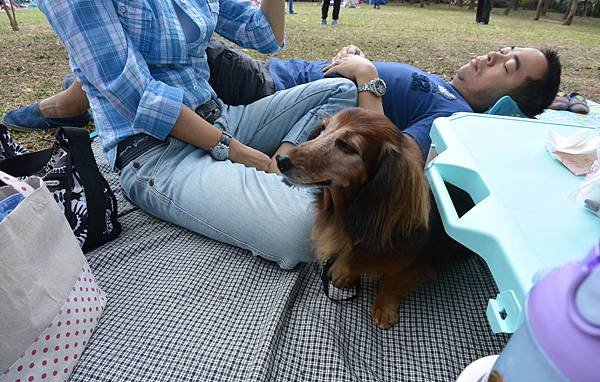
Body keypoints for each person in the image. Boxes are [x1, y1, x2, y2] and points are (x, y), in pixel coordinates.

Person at [30, 0, 365, 271]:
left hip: (220, 115)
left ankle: (278, 165)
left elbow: (265, 36)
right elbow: (134, 94)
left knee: (338, 90)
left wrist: (274, 158)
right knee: (303, 228)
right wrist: (229, 148)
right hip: (156, 150)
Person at [5, 39, 561, 160]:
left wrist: (365, 76)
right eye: (503, 49)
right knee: (163, 59)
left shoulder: (456, 118)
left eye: (508, 67)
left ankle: (60, 108)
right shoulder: (442, 85)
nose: (492, 56)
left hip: (273, 92)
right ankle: (82, 113)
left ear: (511, 101)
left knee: (173, 45)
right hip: (278, 80)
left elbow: (392, 155)